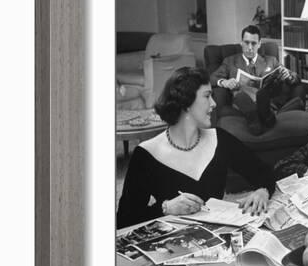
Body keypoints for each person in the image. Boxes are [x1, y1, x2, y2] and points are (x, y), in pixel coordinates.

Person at [117, 67, 276, 229]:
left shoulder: (220, 139)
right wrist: (166, 208)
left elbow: (265, 173)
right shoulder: (146, 154)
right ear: (186, 103)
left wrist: (262, 191)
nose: (214, 104)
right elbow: (124, 220)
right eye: (207, 96)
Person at [210, 24, 305, 135]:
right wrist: (224, 82)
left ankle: (260, 117)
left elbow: (295, 76)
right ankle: (262, 118)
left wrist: (288, 75)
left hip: (267, 102)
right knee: (240, 96)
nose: (250, 48)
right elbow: (212, 77)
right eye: (246, 43)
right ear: (241, 42)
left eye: (254, 43)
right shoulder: (230, 61)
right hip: (243, 101)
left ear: (259, 44)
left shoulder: (271, 61)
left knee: (263, 94)